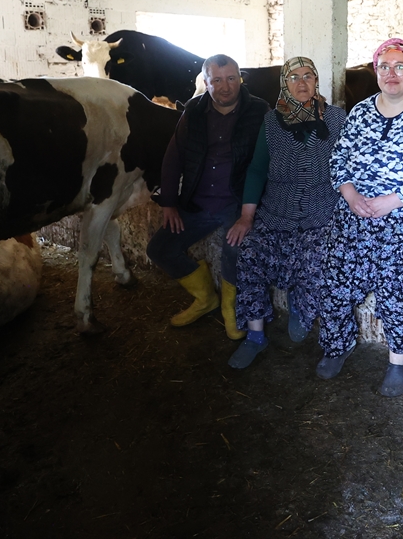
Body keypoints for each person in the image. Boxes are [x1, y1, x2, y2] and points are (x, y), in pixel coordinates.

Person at [316, 38, 403, 397]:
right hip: (358, 211)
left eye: (400, 67)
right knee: (334, 270)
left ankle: (397, 359)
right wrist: (350, 193)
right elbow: (339, 158)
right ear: (375, 71)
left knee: (395, 274)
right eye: (384, 67)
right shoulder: (360, 112)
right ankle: (337, 345)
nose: (391, 74)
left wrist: (391, 201)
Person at [226, 57, 348, 368]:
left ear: (316, 81)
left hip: (321, 210)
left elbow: (351, 165)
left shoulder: (336, 119)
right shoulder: (271, 122)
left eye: (308, 75)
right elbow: (256, 170)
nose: (302, 82)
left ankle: (300, 309)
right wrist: (246, 217)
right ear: (285, 83)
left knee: (317, 257)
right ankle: (255, 336)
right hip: (277, 210)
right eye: (294, 77)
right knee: (249, 253)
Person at [147, 54, 269, 340]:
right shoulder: (193, 110)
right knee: (160, 249)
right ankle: (205, 299)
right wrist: (169, 203)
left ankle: (230, 308)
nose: (225, 87)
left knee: (235, 249)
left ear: (240, 78)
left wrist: (249, 213)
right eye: (217, 80)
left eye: (231, 79)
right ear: (206, 82)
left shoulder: (260, 111)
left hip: (236, 202)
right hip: (197, 201)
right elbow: (173, 157)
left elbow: (267, 162)